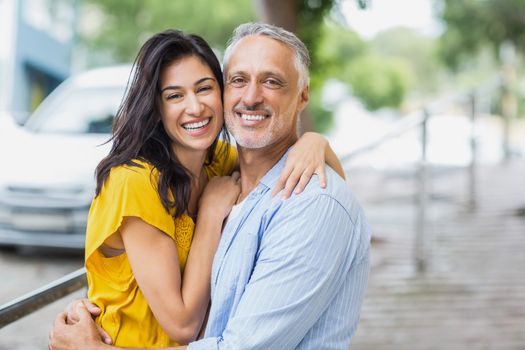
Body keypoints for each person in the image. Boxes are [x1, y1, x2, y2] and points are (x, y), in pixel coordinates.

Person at [49, 23, 370, 350]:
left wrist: (316, 143)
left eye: (204, 88)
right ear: (156, 106)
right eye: (174, 95)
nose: (195, 107)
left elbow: (331, 195)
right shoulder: (136, 181)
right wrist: (211, 213)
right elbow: (183, 323)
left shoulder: (220, 162)